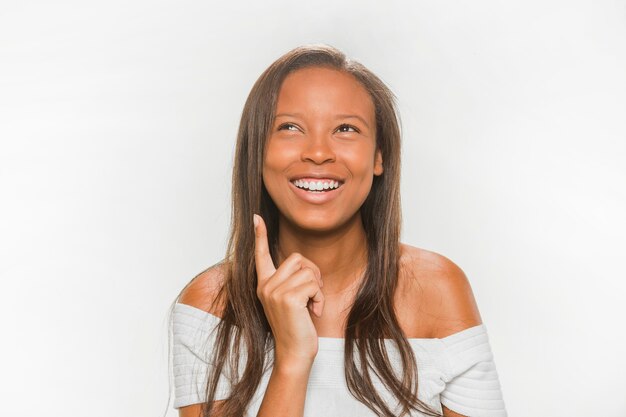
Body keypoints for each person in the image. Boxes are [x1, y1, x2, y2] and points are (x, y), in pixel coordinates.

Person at [170, 45, 507, 417]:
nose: (318, 152)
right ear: (258, 151)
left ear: (380, 157)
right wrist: (293, 359)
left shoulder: (437, 288)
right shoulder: (210, 304)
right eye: (290, 127)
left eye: (345, 129)